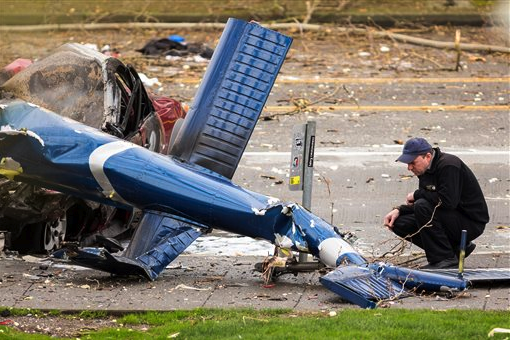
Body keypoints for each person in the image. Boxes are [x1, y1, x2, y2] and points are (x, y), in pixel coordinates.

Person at [383, 137, 489, 269]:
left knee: (422, 206)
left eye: (412, 162)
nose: (409, 168)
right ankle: (454, 248)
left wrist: (416, 195)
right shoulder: (425, 169)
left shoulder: (449, 165)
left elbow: (447, 201)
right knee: (399, 222)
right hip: (450, 217)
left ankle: (444, 259)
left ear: (427, 156)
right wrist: (399, 210)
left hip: (470, 222)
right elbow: (430, 199)